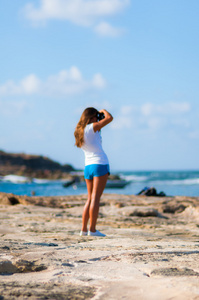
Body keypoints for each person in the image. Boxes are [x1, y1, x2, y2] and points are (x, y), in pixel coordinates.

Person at [74, 107, 113, 237]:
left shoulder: (79, 131)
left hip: (88, 167)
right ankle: (93, 230)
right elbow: (109, 118)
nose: (98, 118)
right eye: (96, 116)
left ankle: (84, 230)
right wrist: (103, 111)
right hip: (99, 164)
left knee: (90, 198)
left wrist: (97, 115)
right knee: (95, 199)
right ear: (91, 117)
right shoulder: (92, 128)